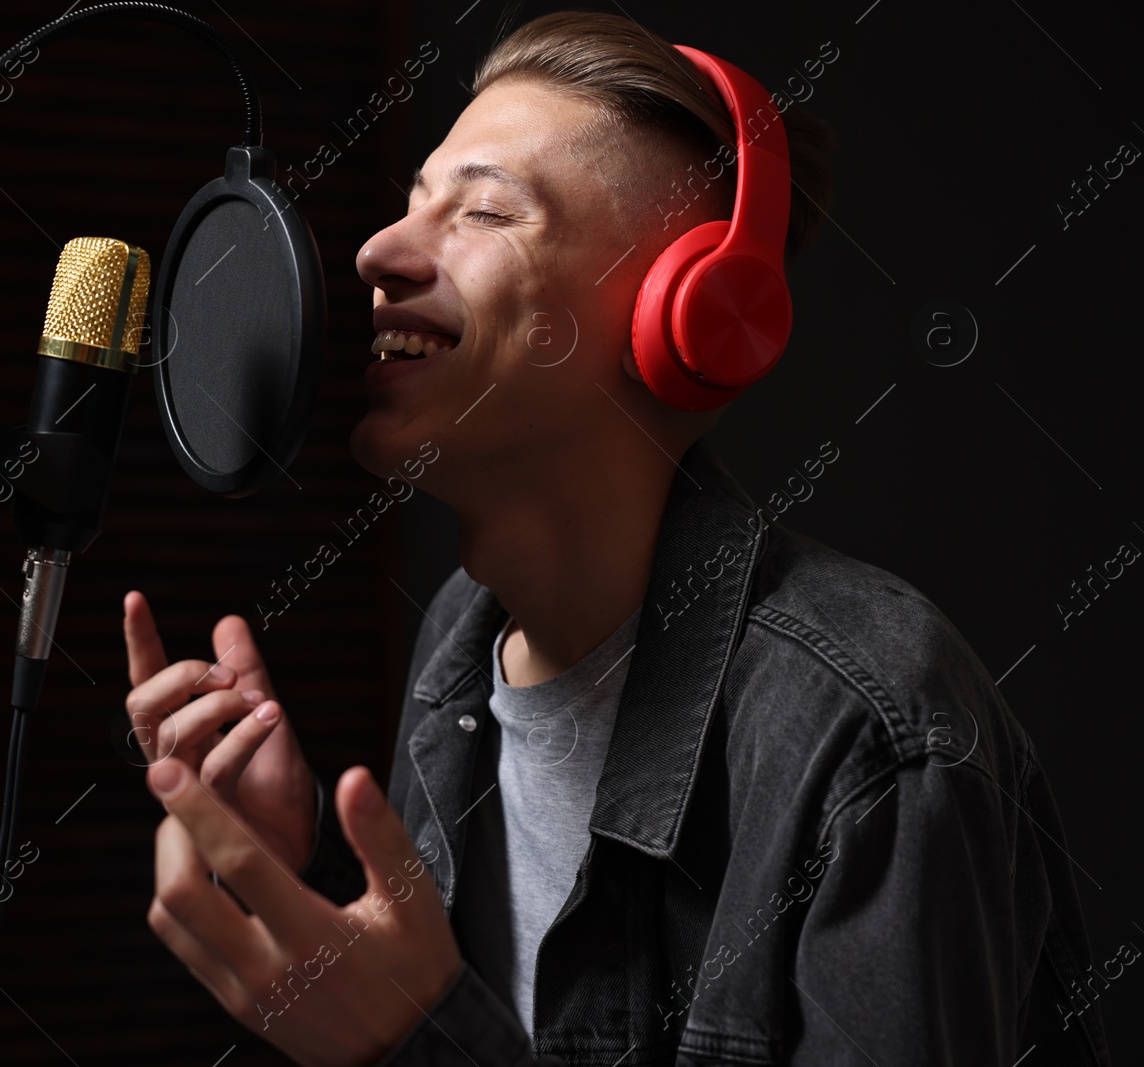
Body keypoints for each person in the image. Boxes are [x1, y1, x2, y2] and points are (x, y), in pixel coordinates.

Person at [121, 10, 1109, 1066]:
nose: (375, 253)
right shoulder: (459, 654)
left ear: (689, 317)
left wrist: (412, 1040)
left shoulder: (872, 730)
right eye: (412, 206)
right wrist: (307, 879)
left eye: (486, 212)